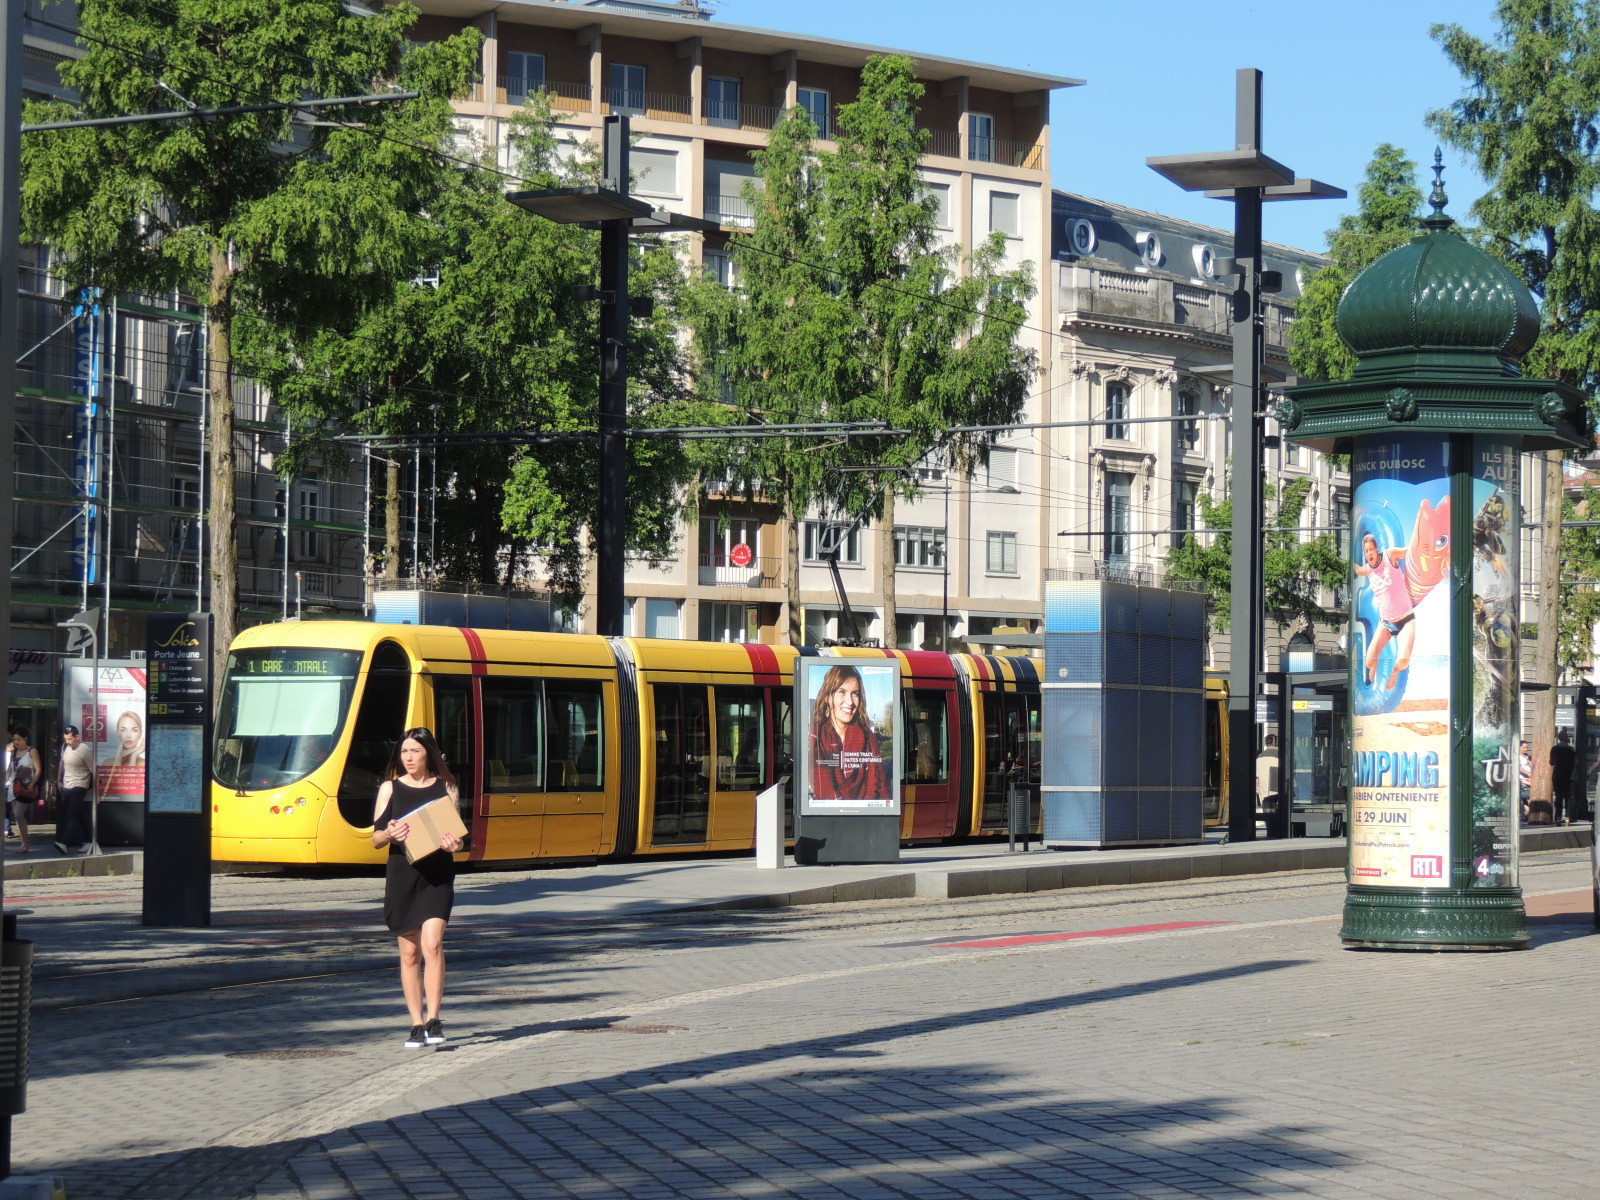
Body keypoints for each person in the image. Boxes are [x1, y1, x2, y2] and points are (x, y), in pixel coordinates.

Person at [372, 727, 463, 1050]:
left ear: (429, 755)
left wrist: (454, 844)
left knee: (433, 944)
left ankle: (434, 1017)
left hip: (437, 876)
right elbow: (376, 838)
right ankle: (416, 1023)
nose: (408, 758)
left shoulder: (446, 787)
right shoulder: (390, 789)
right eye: (404, 752)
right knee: (409, 953)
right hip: (402, 875)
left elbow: (457, 836)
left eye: (415, 752)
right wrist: (389, 834)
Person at [809, 665, 890, 802]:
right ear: (828, 697)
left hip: (868, 818)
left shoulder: (869, 738)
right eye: (842, 692)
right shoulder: (816, 738)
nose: (850, 702)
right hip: (828, 821)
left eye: (855, 694)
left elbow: (882, 790)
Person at [1355, 533, 1417, 691]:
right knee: (1368, 662)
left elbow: (1410, 550)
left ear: (1377, 549)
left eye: (1371, 550)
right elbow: (1359, 570)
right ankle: (1375, 664)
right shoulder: (1368, 570)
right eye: (1366, 551)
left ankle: (1394, 672)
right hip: (1386, 624)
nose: (1369, 553)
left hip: (1406, 620)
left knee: (1403, 662)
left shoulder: (1390, 555)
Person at [55, 724, 96, 855]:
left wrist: (97, 793)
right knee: (78, 814)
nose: (68, 742)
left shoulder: (85, 750)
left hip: (80, 785)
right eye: (66, 739)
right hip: (67, 785)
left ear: (77, 737)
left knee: (71, 815)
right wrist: (58, 780)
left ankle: (65, 843)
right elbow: (62, 762)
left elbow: (95, 770)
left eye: (70, 739)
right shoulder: (65, 747)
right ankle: (89, 840)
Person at [4, 728, 39, 854]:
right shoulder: (14, 752)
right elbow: (10, 769)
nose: (16, 742)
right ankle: (24, 843)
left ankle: (25, 844)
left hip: (26, 787)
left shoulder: (32, 751)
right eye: (14, 739)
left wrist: (32, 784)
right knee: (17, 816)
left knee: (18, 814)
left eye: (19, 739)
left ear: (25, 739)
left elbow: (38, 770)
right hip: (14, 787)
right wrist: (5, 781)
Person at [1550, 729, 1578, 826]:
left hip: (1558, 776)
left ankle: (1558, 817)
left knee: (1558, 797)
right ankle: (1568, 818)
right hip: (1569, 777)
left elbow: (1552, 762)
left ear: (1558, 738)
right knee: (1568, 798)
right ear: (1567, 739)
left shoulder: (1555, 749)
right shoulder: (1571, 750)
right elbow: (1576, 763)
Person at [1519, 740, 1533, 821]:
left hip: (1529, 779)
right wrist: (1527, 773)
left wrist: (1531, 764)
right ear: (1520, 747)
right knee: (1525, 797)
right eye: (1524, 747)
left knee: (1526, 800)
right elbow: (1519, 767)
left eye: (1527, 748)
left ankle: (1526, 814)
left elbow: (1532, 766)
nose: (1526, 749)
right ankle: (1525, 814)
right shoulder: (1518, 756)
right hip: (1522, 779)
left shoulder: (1528, 757)